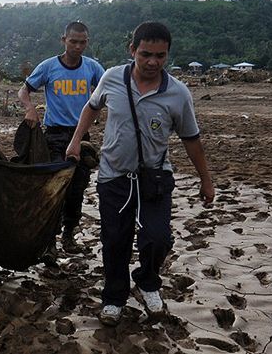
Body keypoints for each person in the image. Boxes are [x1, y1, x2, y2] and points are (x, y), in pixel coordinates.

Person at [65, 21, 215, 324]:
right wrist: (76, 141)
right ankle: (114, 297)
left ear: (167, 55)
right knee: (115, 240)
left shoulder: (178, 93)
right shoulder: (111, 78)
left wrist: (206, 180)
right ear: (132, 50)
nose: (152, 62)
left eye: (160, 56)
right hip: (113, 176)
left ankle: (147, 282)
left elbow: (191, 140)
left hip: (155, 177)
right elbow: (91, 108)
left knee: (157, 239)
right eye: (146, 54)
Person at [18, 21, 105, 265]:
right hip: (55, 135)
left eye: (83, 42)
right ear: (63, 40)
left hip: (82, 135)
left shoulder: (93, 68)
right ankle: (49, 242)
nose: (78, 46)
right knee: (55, 188)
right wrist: (30, 109)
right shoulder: (48, 67)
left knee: (77, 187)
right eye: (73, 41)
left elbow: (106, 91)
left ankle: (69, 235)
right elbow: (23, 91)